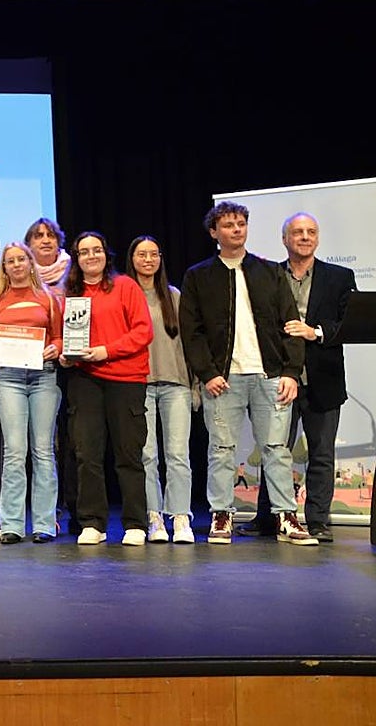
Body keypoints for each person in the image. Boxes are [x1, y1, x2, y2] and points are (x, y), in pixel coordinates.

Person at [179, 201, 314, 545]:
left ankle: (287, 517)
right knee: (221, 449)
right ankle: (221, 514)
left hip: (270, 376)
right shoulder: (198, 276)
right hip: (223, 379)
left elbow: (291, 325)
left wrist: (290, 372)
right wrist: (207, 373)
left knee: (276, 449)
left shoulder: (269, 272)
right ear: (214, 232)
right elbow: (191, 332)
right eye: (228, 225)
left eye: (241, 223)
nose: (236, 229)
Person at [237, 212, 356, 542]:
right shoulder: (269, 275)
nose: (305, 237)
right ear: (284, 239)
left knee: (322, 454)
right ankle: (267, 518)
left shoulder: (339, 277)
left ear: (317, 238)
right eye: (298, 232)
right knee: (273, 450)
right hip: (278, 379)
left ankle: (317, 521)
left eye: (311, 232)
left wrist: (314, 332)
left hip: (324, 380)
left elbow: (348, 323)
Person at [62, 232, 153, 546]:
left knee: (128, 454)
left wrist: (106, 351)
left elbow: (143, 331)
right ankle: (92, 523)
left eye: (96, 250)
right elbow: (61, 334)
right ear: (77, 258)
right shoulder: (70, 293)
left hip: (126, 379)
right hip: (85, 379)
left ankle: (136, 524)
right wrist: (63, 352)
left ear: (106, 254)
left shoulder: (125, 286)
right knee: (87, 454)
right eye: (84, 252)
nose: (91, 256)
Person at [0, 242, 62, 544]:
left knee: (43, 451)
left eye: (20, 259)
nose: (16, 264)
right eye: (10, 261)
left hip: (44, 377)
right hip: (10, 379)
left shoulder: (48, 298)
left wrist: (56, 348)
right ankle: (12, 524)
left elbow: (58, 337)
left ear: (30, 262)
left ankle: (44, 523)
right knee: (14, 451)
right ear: (4, 268)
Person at [126, 235, 195, 544]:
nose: (148, 260)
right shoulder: (125, 295)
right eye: (142, 254)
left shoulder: (174, 296)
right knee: (147, 455)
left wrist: (195, 384)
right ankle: (153, 517)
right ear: (132, 259)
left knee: (178, 454)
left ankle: (180, 516)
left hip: (175, 383)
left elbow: (189, 342)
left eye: (154, 254)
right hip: (139, 384)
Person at [25, 217, 78, 535]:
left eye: (50, 235)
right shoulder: (20, 275)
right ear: (29, 244)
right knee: (45, 444)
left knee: (74, 442)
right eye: (38, 236)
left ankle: (77, 510)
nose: (45, 240)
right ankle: (49, 511)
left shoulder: (74, 272)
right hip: (36, 368)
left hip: (75, 366)